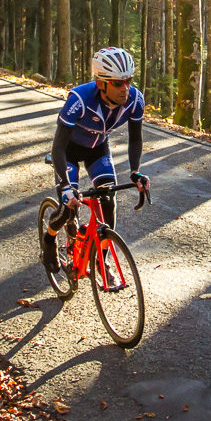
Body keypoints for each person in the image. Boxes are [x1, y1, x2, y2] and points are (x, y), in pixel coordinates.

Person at [41, 46, 150, 274]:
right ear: (101, 83)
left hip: (97, 149)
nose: (125, 89)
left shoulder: (135, 99)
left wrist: (135, 172)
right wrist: (65, 186)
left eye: (128, 80)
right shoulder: (79, 98)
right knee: (69, 209)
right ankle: (49, 239)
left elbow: (136, 139)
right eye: (118, 83)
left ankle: (102, 258)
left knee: (108, 199)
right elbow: (58, 146)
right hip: (68, 152)